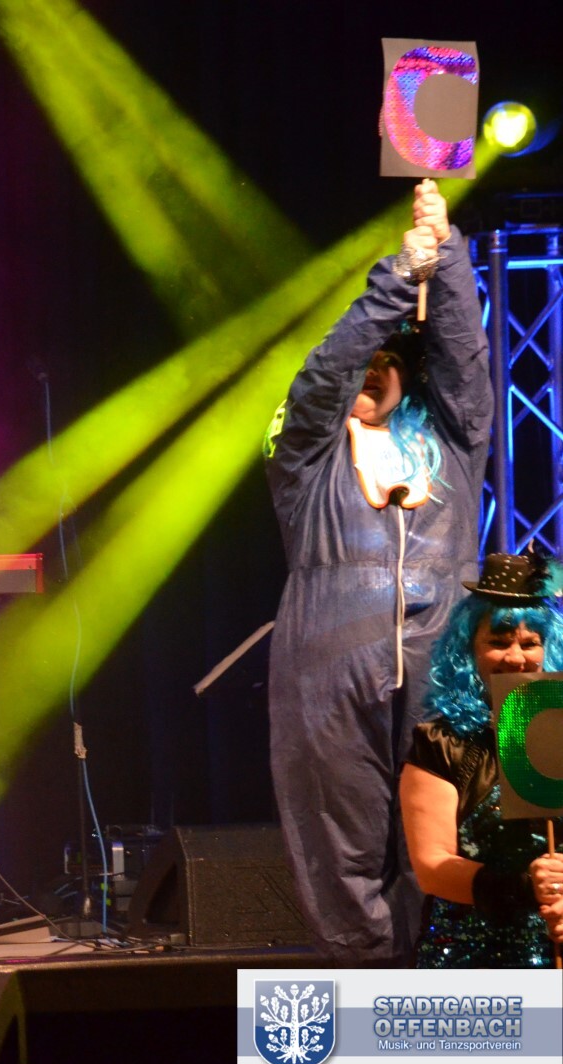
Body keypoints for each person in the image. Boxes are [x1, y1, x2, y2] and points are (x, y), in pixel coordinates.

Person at [263, 180, 493, 965]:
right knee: (339, 842)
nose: (367, 370)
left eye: (383, 360)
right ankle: (366, 983)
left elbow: (464, 363)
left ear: (406, 373)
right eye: (360, 360)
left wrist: (447, 256)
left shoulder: (450, 446)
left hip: (439, 665)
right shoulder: (305, 457)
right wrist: (396, 279)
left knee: (440, 832)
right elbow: (322, 377)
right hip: (330, 669)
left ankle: (437, 980)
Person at [400, 553, 563, 967]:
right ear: (468, 650)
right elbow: (432, 866)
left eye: (530, 643)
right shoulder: (442, 743)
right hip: (471, 961)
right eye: (499, 642)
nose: (516, 657)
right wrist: (524, 887)